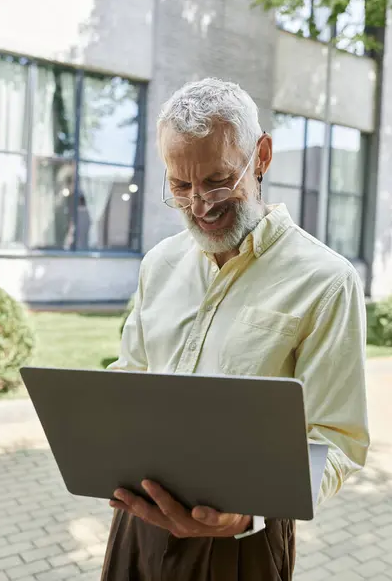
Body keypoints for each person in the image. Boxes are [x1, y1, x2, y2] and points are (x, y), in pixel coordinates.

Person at [101, 78, 369, 581]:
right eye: (180, 186)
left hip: (241, 541)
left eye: (218, 180)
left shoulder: (327, 281)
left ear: (262, 156)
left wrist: (249, 512)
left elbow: (338, 439)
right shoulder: (158, 263)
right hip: (137, 526)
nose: (199, 204)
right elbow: (130, 375)